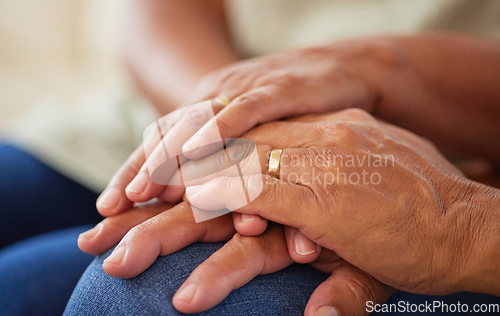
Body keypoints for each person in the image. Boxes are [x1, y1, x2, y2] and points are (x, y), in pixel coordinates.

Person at [1, 0, 500, 315]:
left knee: (135, 296)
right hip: (168, 123)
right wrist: (238, 121)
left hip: (404, 179)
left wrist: (461, 220)